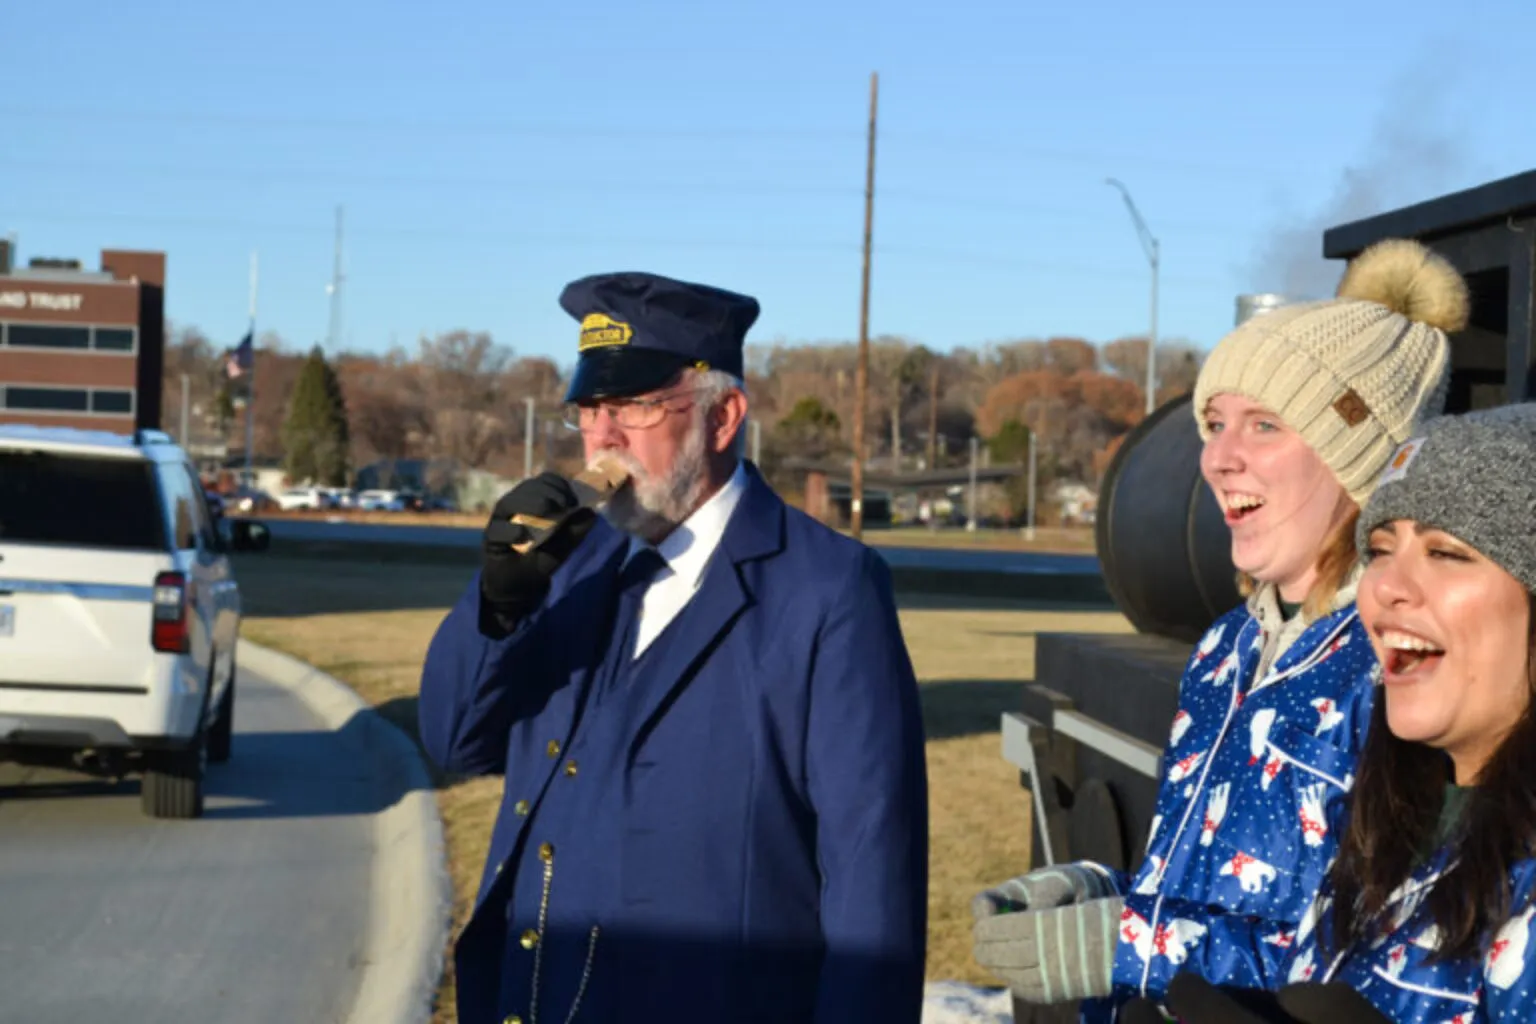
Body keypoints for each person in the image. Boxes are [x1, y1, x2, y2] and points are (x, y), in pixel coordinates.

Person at [971, 238, 1466, 1018]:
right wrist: (1094, 895)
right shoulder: (1225, 646)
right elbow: (1203, 884)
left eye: (1264, 425)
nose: (1217, 459)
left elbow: (1375, 971)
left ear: (1358, 459)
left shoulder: (1404, 667)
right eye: (1213, 422)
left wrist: (1126, 941)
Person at [417, 271, 929, 1024]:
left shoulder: (828, 590)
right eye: (590, 408)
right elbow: (455, 739)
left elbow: (871, 879)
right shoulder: (569, 565)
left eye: (635, 406)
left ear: (722, 418)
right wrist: (496, 603)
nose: (603, 436)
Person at [1119, 403, 1536, 1023]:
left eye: (1447, 553)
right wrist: (1117, 926)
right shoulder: (1389, 830)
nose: (1386, 585)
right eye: (1381, 548)